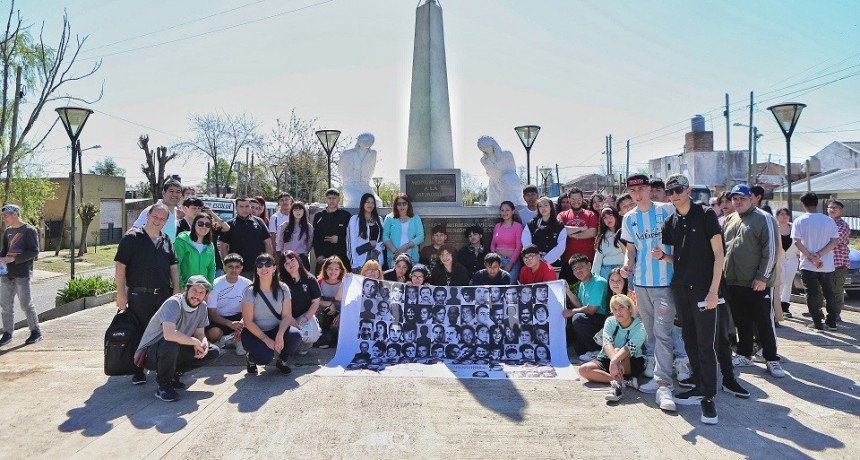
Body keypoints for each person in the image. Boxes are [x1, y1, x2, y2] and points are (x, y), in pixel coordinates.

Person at [661, 174, 749, 424]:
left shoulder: (706, 215)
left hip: (704, 290)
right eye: (670, 191)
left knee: (706, 343)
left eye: (678, 189)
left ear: (688, 190)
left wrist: (713, 291)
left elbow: (719, 254)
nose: (674, 195)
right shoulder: (670, 221)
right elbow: (679, 257)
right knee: (689, 339)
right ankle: (699, 386)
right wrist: (663, 258)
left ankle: (709, 396)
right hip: (681, 287)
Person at [619, 173, 676, 411]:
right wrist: (626, 264)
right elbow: (630, 250)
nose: (637, 194)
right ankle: (657, 375)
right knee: (652, 334)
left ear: (649, 189)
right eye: (633, 191)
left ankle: (664, 385)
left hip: (666, 282)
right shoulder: (629, 218)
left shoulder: (667, 210)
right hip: (641, 283)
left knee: (663, 333)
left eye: (641, 189)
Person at [722, 184, 784, 378]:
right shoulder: (730, 219)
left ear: (752, 199)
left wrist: (762, 277)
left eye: (742, 198)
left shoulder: (764, 219)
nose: (737, 202)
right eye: (734, 199)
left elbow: (771, 250)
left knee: (764, 321)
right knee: (742, 321)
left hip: (757, 282)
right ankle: (744, 354)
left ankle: (772, 359)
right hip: (733, 281)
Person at [115, 203, 180, 385]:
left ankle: (164, 370)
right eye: (155, 217)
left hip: (164, 295)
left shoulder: (166, 240)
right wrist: (121, 294)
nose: (157, 221)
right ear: (148, 216)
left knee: (164, 333)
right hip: (139, 296)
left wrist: (176, 290)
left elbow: (173, 267)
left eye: (162, 219)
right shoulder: (131, 238)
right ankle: (138, 370)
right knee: (140, 334)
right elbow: (120, 266)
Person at [134, 276, 220, 402]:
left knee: (213, 351)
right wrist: (194, 342)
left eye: (201, 292)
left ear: (206, 295)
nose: (197, 295)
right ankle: (163, 386)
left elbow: (200, 333)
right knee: (170, 344)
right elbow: (169, 334)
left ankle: (173, 374)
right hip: (150, 354)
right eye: (194, 290)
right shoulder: (174, 303)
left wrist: (203, 343)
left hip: (174, 349)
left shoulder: (202, 307)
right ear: (186, 289)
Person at [241, 253, 303, 375]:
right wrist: (266, 340)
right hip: (254, 332)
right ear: (256, 270)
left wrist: (280, 335)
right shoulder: (250, 291)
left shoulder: (283, 288)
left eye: (268, 265)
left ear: (274, 268)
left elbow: (287, 316)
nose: (264, 268)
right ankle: (251, 359)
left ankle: (282, 360)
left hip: (275, 328)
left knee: (296, 336)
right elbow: (248, 322)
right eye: (260, 265)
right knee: (265, 358)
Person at [577, 294, 646, 403]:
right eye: (614, 309)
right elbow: (607, 343)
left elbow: (628, 348)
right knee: (583, 370)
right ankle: (619, 380)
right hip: (609, 357)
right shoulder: (610, 321)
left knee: (618, 351)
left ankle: (617, 389)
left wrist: (614, 361)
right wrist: (613, 361)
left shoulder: (640, 327)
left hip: (631, 360)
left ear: (629, 308)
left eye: (621, 307)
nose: (618, 312)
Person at [793, 192, 841, 331]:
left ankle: (818, 323)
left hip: (808, 264)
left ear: (803, 204)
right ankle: (832, 322)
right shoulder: (828, 220)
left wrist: (810, 256)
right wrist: (819, 255)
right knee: (829, 293)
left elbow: (796, 241)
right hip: (827, 264)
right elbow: (835, 241)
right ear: (817, 203)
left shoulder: (800, 220)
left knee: (812, 294)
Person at [0, 204, 41, 346]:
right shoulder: (8, 232)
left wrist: (14, 259)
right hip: (6, 274)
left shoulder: (29, 230)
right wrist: (2, 258)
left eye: (6, 215)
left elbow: (34, 251)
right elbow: (5, 250)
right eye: (3, 216)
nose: (3, 218)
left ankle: (36, 331)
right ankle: (7, 333)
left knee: (26, 305)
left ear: (15, 214)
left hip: (22, 274)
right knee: (6, 306)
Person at [561, 254, 608, 362]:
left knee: (578, 318)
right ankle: (593, 349)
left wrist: (571, 312)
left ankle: (597, 351)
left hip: (602, 320)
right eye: (575, 269)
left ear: (589, 265)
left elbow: (591, 310)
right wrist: (567, 291)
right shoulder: (582, 284)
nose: (578, 271)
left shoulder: (598, 282)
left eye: (581, 267)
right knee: (579, 350)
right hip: (592, 320)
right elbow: (580, 305)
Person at [204, 253, 251, 355]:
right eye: (230, 267)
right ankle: (221, 340)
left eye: (237, 267)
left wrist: (241, 325)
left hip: (240, 317)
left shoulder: (248, 284)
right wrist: (230, 324)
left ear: (241, 268)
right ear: (224, 268)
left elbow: (251, 310)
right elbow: (211, 313)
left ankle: (237, 338)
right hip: (220, 318)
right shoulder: (215, 284)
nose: (234, 270)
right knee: (213, 333)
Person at [220, 198, 273, 280]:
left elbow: (268, 243)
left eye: (247, 206)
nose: (244, 209)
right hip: (238, 270)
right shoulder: (229, 225)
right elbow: (224, 247)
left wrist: (270, 263)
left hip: (259, 268)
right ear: (236, 208)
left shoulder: (259, 222)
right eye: (241, 206)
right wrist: (226, 265)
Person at [281, 250, 322, 354]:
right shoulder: (281, 282)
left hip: (304, 315)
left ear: (298, 260)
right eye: (286, 263)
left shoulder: (310, 279)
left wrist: (306, 317)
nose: (290, 264)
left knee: (312, 334)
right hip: (286, 316)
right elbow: (278, 304)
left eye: (292, 260)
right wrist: (289, 318)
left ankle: (303, 346)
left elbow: (316, 302)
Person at [522, 196, 567, 274]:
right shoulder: (532, 223)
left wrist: (545, 260)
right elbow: (525, 240)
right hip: (533, 261)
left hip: (553, 261)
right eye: (540, 206)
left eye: (546, 205)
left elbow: (561, 246)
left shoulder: (559, 225)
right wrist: (535, 258)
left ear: (551, 207)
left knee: (551, 285)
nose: (543, 208)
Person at [313, 189, 352, 272]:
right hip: (324, 258)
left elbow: (351, 237)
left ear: (339, 199)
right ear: (325, 199)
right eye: (329, 198)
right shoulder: (319, 216)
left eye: (334, 198)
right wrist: (319, 255)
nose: (332, 201)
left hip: (342, 257)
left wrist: (339, 239)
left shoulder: (345, 216)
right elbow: (315, 238)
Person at [174, 213, 216, 288]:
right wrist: (180, 287)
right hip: (185, 288)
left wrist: (209, 288)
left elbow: (211, 268)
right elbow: (176, 265)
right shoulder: (182, 241)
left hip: (202, 290)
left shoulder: (210, 245)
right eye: (200, 223)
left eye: (207, 224)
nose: (204, 227)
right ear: (194, 224)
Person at [382, 193, 424, 269]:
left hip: (412, 257)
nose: (402, 206)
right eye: (399, 204)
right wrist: (396, 251)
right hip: (394, 257)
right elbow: (385, 236)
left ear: (408, 205)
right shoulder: (389, 218)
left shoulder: (415, 218)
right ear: (395, 205)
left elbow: (420, 236)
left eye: (404, 203)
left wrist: (406, 246)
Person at [558, 188, 598, 265]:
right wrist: (581, 228)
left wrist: (570, 234)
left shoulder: (591, 215)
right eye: (573, 199)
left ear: (582, 199)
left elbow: (591, 233)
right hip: (567, 260)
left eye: (579, 199)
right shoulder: (562, 215)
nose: (576, 201)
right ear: (569, 200)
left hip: (588, 260)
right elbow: (560, 230)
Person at [347, 193, 384, 272]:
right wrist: (354, 263)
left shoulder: (379, 220)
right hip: (360, 260)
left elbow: (383, 238)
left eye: (372, 202)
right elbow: (351, 242)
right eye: (367, 202)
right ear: (362, 203)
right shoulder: (355, 219)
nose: (370, 205)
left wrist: (377, 247)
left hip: (376, 259)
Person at [827, 199, 850, 325]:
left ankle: (836, 314)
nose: (832, 209)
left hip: (838, 263)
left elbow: (833, 241)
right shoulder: (824, 223)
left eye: (836, 208)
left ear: (840, 210)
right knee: (822, 289)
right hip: (824, 263)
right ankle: (819, 311)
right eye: (830, 207)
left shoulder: (842, 225)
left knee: (836, 290)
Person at [774, 208, 800, 319]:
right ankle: (776, 304)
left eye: (787, 214)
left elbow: (800, 241)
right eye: (782, 214)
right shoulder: (774, 228)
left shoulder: (794, 227)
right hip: (779, 258)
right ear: (777, 216)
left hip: (792, 258)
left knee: (788, 282)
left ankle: (785, 306)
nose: (785, 216)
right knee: (781, 281)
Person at [490, 201, 524, 282]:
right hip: (498, 261)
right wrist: (495, 257)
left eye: (507, 210)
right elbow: (493, 244)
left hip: (512, 261)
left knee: (509, 286)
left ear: (512, 211)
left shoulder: (518, 227)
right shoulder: (497, 226)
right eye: (502, 210)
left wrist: (510, 263)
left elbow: (519, 247)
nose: (504, 212)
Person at [316, 256, 345, 348]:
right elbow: (316, 300)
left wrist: (340, 314)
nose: (333, 272)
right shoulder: (319, 282)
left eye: (336, 269)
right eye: (330, 269)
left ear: (341, 270)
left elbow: (347, 303)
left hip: (340, 312)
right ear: (325, 269)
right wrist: (330, 304)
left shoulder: (345, 282)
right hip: (324, 312)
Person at [276, 201, 314, 270]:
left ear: (304, 211)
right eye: (295, 209)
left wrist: (304, 253)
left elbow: (309, 244)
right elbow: (280, 242)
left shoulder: (308, 227)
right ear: (292, 212)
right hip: (288, 257)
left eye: (300, 209)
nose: (298, 212)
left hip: (302, 258)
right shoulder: (285, 226)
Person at [592, 206, 625, 279]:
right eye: (605, 218)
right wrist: (594, 277)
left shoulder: (625, 232)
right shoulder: (602, 237)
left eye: (610, 216)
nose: (608, 219)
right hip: (606, 272)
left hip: (623, 269)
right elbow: (598, 259)